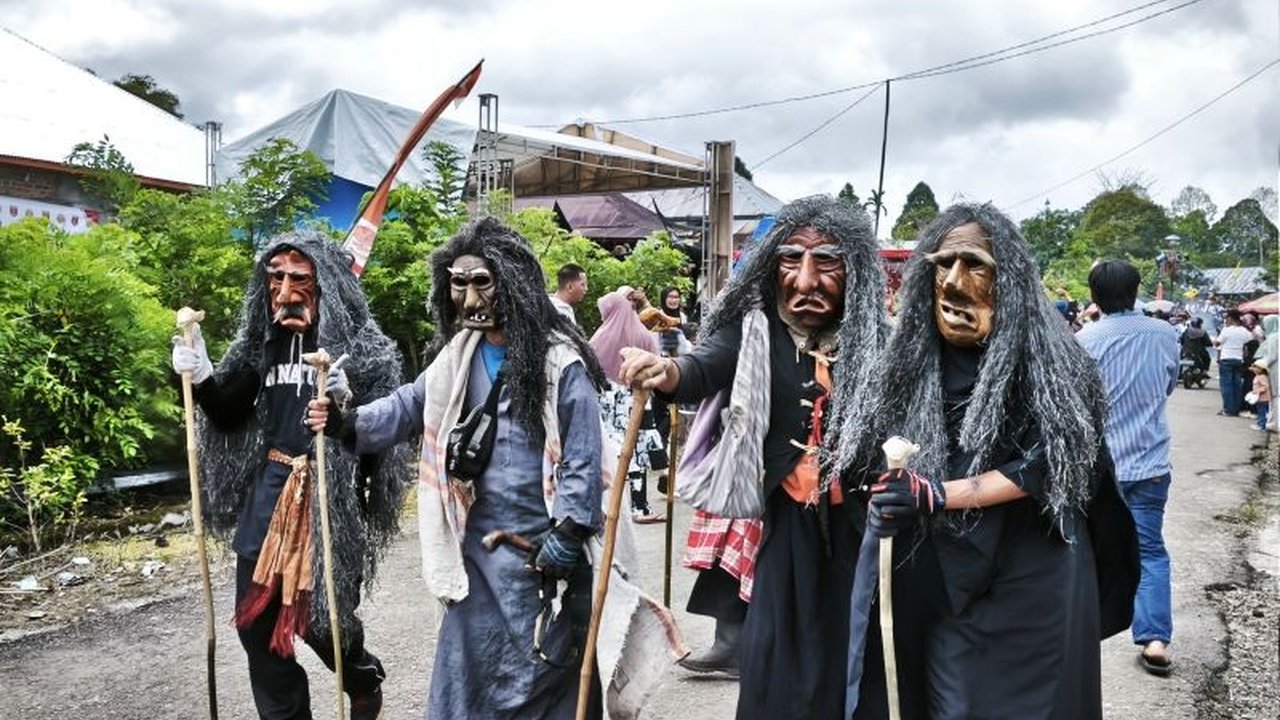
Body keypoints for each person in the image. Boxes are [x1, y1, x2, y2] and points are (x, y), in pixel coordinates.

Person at [308, 217, 682, 720]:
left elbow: (582, 457)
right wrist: (345, 423)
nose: (468, 299)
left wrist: (568, 533)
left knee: (548, 671)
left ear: (513, 284)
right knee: (467, 675)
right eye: (458, 285)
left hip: (544, 558)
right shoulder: (455, 359)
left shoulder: (559, 364)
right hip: (478, 558)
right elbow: (406, 407)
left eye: (481, 283)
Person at [838, 205, 1138, 719]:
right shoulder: (907, 363)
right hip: (939, 576)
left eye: (974, 265)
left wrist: (938, 495)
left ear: (1010, 280)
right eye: (943, 264)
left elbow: (1055, 460)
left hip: (1031, 572)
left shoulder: (1058, 362)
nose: (954, 282)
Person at [621, 195, 889, 719]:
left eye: (826, 261)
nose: (806, 280)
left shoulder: (880, 343)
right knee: (776, 659)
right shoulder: (755, 331)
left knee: (860, 655)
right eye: (792, 259)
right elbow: (700, 368)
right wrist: (665, 372)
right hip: (786, 527)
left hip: (866, 531)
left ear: (854, 270)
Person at [171, 229, 412, 720]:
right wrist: (198, 377)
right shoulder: (265, 340)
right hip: (272, 488)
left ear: (325, 285)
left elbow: (380, 438)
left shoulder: (363, 348)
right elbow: (229, 410)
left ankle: (361, 675)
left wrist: (350, 404)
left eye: (297, 279)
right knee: (256, 624)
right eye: (275, 277)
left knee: (322, 624)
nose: (283, 292)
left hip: (331, 500)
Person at [1076, 259, 1180, 677]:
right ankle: (1155, 640)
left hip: (1099, 467)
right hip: (1150, 462)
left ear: (1095, 296)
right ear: (1136, 291)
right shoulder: (1164, 334)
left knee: (1085, 548)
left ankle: (1080, 631)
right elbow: (1169, 386)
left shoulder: (1085, 339)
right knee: (1150, 550)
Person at [590, 287, 668, 523]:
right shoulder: (642, 334)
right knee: (637, 450)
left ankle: (610, 507)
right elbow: (657, 362)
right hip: (638, 397)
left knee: (614, 450)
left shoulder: (599, 337)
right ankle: (640, 506)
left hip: (608, 400)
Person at [1213, 310, 1253, 416]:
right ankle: (1236, 409)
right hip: (1239, 360)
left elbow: (1217, 343)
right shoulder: (1244, 331)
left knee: (1226, 385)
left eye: (1227, 318)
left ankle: (1228, 409)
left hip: (1226, 359)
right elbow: (1250, 339)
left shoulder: (1226, 330)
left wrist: (1215, 342)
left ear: (1230, 318)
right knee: (1237, 385)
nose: (1226, 320)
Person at [1250, 361, 1271, 431]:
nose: (1254, 369)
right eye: (1254, 367)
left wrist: (1257, 391)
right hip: (1259, 398)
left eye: (1257, 368)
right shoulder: (1258, 376)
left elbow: (1265, 387)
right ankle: (1260, 424)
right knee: (1260, 411)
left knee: (1263, 412)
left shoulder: (1262, 377)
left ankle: (1262, 425)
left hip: (1263, 398)